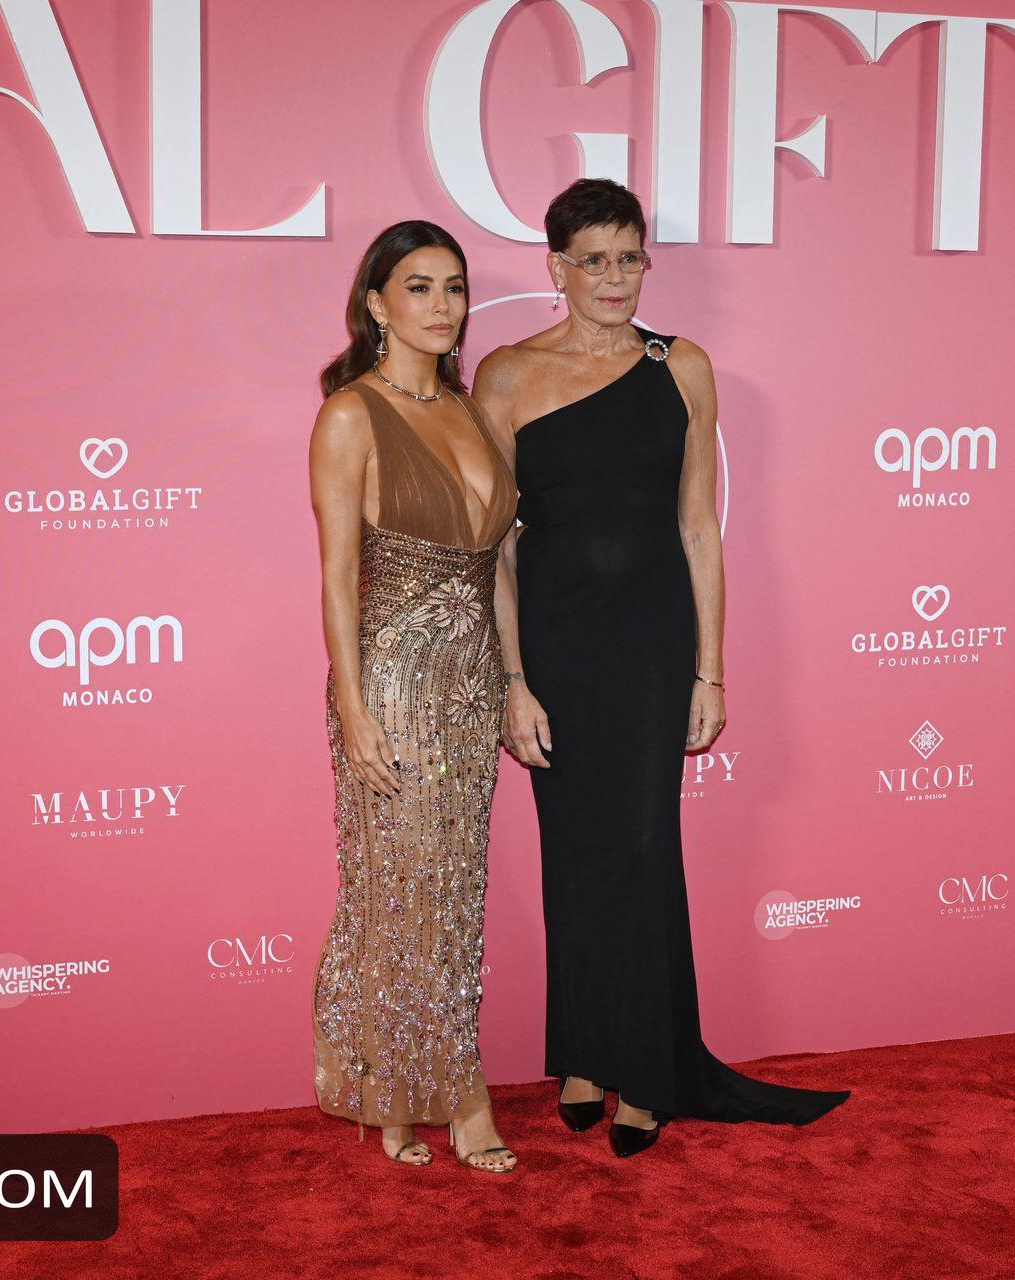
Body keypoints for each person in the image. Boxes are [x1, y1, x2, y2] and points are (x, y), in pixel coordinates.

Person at [474, 179, 849, 1158]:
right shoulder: (506, 377)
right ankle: (583, 1056)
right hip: (555, 646)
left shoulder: (680, 365)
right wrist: (513, 680)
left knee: (641, 853)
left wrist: (709, 672)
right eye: (593, 259)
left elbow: (698, 527)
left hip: (648, 646)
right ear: (556, 268)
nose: (614, 277)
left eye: (629, 257)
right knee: (575, 857)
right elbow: (495, 547)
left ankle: (645, 1070)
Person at [306, 220, 519, 1174]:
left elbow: (497, 567)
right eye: (420, 287)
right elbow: (337, 576)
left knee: (452, 892)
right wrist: (354, 710)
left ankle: (405, 1085)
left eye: (455, 287)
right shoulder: (351, 414)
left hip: (470, 684)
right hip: (392, 682)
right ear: (377, 305)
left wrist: (514, 682)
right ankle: (450, 1094)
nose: (443, 305)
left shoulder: (471, 412)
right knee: (397, 887)